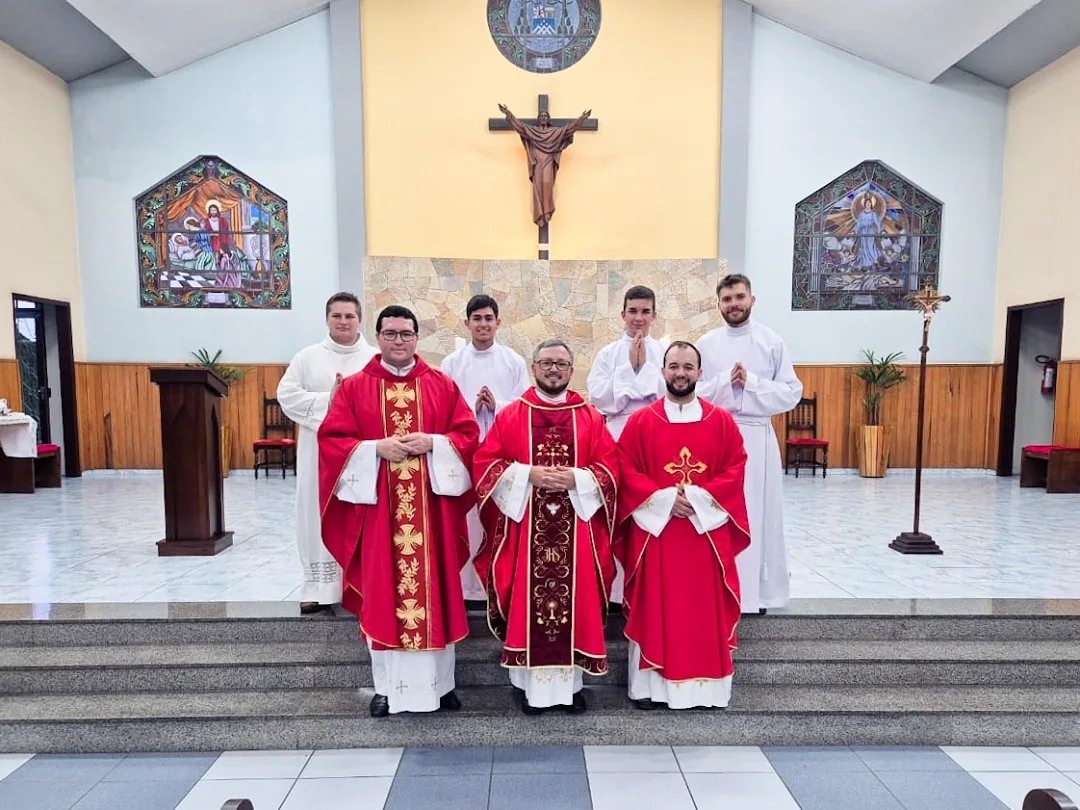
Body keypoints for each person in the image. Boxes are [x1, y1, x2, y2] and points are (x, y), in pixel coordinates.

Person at [318, 305, 480, 717]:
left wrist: (436, 443)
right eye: (390, 334)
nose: (399, 341)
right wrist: (374, 449)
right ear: (378, 336)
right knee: (382, 593)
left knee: (436, 592)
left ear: (416, 337)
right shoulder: (355, 387)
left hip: (431, 516)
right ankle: (386, 688)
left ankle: (442, 687)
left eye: (406, 334)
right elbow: (333, 440)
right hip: (379, 517)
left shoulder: (441, 385)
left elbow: (467, 434)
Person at [472, 339, 618, 715]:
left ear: (572, 371)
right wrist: (528, 474)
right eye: (547, 363)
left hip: (577, 531)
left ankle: (571, 689)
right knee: (527, 603)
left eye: (562, 364)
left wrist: (577, 480)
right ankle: (528, 687)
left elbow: (611, 469)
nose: (554, 370)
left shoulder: (589, 415)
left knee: (577, 603)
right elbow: (486, 465)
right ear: (534, 367)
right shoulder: (512, 415)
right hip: (526, 532)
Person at [616, 341, 750, 710]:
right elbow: (625, 469)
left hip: (703, 534)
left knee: (700, 613)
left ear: (700, 373)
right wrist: (663, 500)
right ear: (662, 371)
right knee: (656, 606)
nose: (680, 373)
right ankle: (651, 689)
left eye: (688, 367)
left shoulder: (720, 421)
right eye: (673, 366)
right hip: (658, 534)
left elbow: (735, 467)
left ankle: (705, 691)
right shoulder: (641, 422)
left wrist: (697, 500)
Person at [697, 273, 803, 614]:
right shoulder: (706, 343)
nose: (734, 304)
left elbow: (791, 392)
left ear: (752, 300)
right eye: (727, 300)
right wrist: (725, 383)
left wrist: (752, 382)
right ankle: (714, 586)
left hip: (757, 435)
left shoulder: (771, 342)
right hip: (716, 436)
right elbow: (691, 391)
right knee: (716, 512)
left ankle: (756, 594)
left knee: (758, 512)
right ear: (718, 305)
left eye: (739, 297)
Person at [277, 292, 377, 615]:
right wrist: (328, 402)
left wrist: (349, 403)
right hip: (318, 452)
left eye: (350, 316)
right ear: (327, 319)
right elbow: (287, 396)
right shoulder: (307, 357)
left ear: (360, 319)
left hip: (359, 453)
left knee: (359, 514)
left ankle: (362, 584)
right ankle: (316, 587)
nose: (344, 321)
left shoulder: (374, 359)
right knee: (313, 511)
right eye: (337, 316)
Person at [440, 294, 530, 602]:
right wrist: (470, 407)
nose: (483, 324)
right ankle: (466, 586)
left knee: (497, 515)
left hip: (502, 452)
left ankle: (498, 581)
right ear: (467, 323)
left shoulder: (513, 361)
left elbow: (523, 407)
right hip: (464, 452)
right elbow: (443, 408)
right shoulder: (451, 363)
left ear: (498, 323)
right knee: (467, 517)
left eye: (488, 319)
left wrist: (497, 406)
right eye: (477, 319)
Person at [497, 103, 592, 226]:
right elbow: (519, 127)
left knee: (547, 186)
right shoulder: (532, 131)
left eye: (545, 116)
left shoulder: (555, 132)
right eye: (541, 116)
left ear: (548, 119)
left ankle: (546, 211)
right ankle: (539, 214)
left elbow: (569, 129)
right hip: (537, 163)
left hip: (548, 162)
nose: (543, 118)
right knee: (537, 187)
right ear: (538, 119)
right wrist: (508, 113)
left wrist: (581, 119)